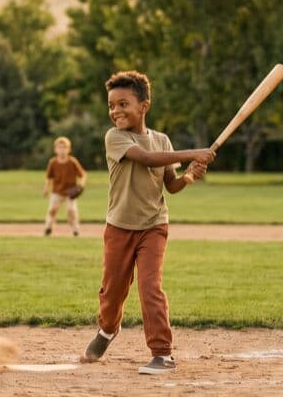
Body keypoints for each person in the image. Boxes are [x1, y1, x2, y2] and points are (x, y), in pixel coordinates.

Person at [80, 71, 214, 375]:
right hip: (119, 226)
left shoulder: (162, 140)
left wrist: (190, 175)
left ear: (144, 106)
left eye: (123, 104)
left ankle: (162, 353)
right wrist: (195, 151)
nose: (115, 111)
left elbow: (171, 184)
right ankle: (107, 330)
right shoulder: (115, 137)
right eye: (112, 105)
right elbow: (147, 159)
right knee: (112, 292)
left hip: (154, 226)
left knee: (150, 286)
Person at [43, 136, 88, 237]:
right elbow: (49, 178)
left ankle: (75, 230)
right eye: (59, 147)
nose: (62, 150)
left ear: (69, 149)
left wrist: (81, 184)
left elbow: (83, 174)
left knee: (71, 211)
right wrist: (46, 189)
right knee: (52, 210)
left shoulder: (72, 162)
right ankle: (48, 227)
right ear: (55, 149)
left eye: (64, 147)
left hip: (70, 192)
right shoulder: (53, 162)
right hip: (57, 191)